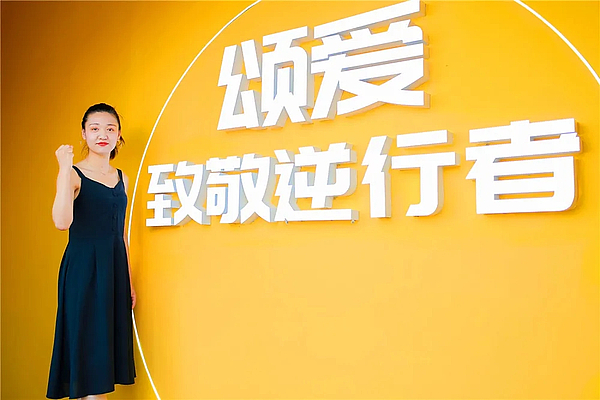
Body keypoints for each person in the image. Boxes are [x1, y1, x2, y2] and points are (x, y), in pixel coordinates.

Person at [47, 103, 137, 399]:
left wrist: (129, 282)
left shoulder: (122, 178)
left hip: (113, 271)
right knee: (86, 350)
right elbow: (62, 222)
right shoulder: (73, 174)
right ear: (84, 134)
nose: (103, 135)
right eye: (95, 128)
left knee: (103, 355)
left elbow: (121, 234)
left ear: (118, 135)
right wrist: (63, 168)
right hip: (83, 270)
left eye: (110, 129)